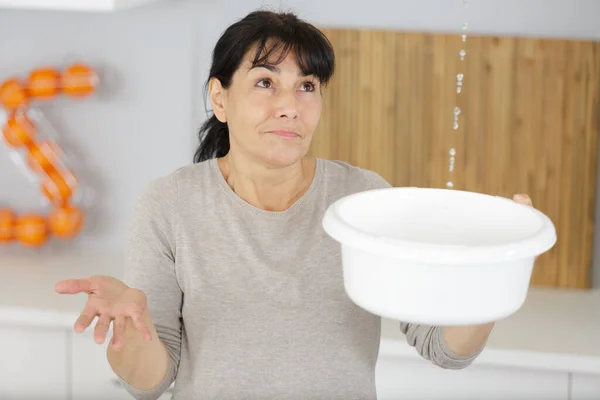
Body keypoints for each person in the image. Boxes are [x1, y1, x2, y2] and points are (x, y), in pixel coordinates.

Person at [54, 9, 535, 400]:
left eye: (307, 86)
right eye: (266, 83)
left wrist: (495, 269)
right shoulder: (169, 205)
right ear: (219, 98)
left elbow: (443, 348)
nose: (290, 105)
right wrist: (130, 327)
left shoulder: (363, 200)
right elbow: (151, 382)